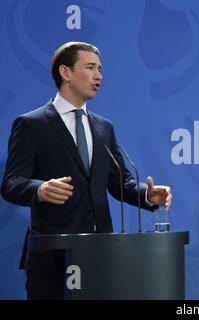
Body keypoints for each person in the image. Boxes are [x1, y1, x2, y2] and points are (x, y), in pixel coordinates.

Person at [0, 41, 172, 299]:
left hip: (100, 253)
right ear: (65, 73)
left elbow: (119, 182)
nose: (99, 76)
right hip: (53, 256)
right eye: (90, 67)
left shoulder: (104, 127)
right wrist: (40, 189)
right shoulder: (31, 124)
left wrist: (148, 196)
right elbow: (11, 183)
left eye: (100, 69)